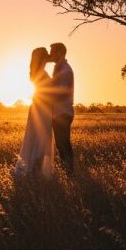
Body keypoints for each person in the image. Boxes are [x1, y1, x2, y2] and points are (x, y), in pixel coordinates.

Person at [12, 47, 55, 178]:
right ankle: (35, 169)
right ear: (42, 58)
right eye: (45, 56)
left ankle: (33, 169)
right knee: (40, 139)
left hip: (39, 107)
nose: (48, 57)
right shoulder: (41, 73)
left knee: (35, 138)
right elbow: (47, 93)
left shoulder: (37, 72)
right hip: (42, 109)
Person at [48, 42, 75, 176]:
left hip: (62, 112)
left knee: (63, 144)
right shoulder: (59, 67)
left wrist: (45, 97)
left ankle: (70, 172)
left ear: (60, 53)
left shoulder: (65, 70)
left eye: (52, 52)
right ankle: (69, 171)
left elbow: (62, 93)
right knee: (62, 144)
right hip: (59, 112)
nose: (50, 54)